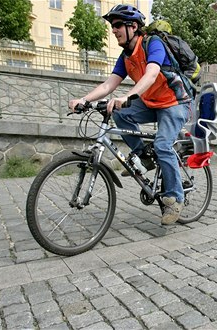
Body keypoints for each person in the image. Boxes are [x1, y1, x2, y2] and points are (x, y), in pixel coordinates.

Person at [68, 4, 193, 225]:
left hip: (175, 102)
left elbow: (152, 74)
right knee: (120, 113)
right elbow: (109, 84)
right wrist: (85, 100)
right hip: (151, 102)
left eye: (117, 25)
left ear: (133, 26)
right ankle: (143, 155)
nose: (113, 30)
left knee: (164, 145)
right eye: (112, 26)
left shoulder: (153, 43)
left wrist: (128, 96)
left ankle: (175, 199)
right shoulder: (126, 56)